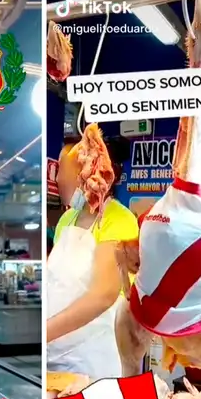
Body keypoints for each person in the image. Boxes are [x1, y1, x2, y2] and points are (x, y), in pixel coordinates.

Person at [45, 137, 139, 381]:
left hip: (92, 360)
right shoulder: (66, 220)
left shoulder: (118, 219)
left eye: (63, 170)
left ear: (86, 172)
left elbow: (103, 295)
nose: (57, 179)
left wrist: (44, 332)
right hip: (54, 356)